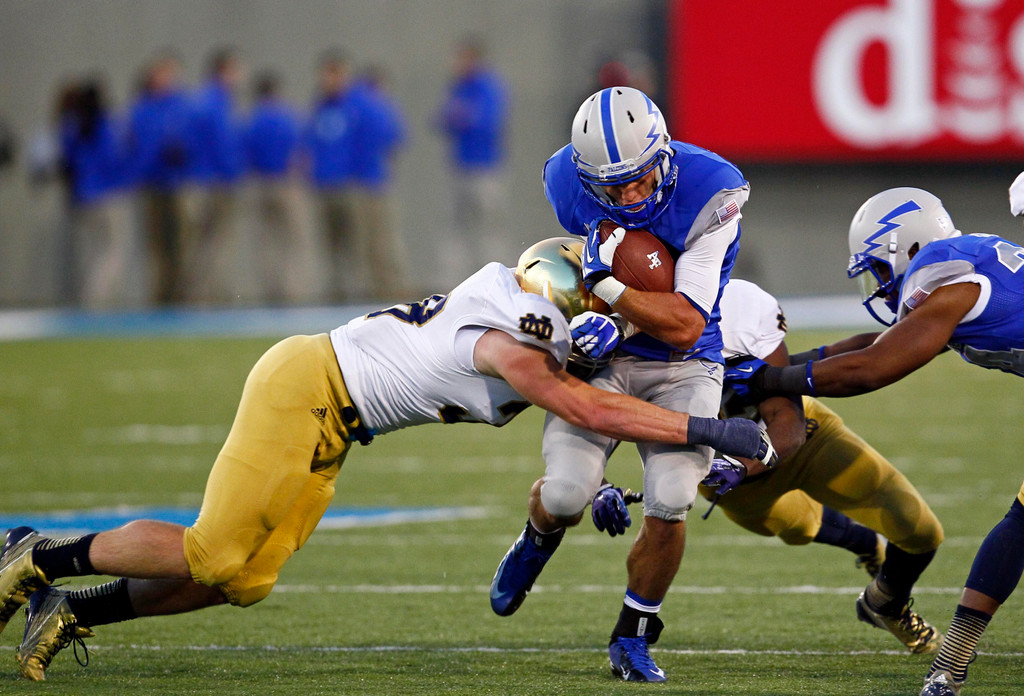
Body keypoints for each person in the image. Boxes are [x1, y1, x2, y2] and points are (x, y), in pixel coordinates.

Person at [0, 237, 775, 682]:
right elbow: (586, 407)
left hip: (339, 422)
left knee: (245, 581)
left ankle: (72, 609)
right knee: (211, 550)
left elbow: (579, 390)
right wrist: (711, 433)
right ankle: (36, 553)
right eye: (599, 303)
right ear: (564, 299)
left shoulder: (525, 308)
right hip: (305, 389)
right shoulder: (515, 336)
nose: (611, 316)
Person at [489, 86, 750, 683]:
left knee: (674, 494)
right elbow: (561, 265)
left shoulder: (714, 190)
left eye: (640, 179)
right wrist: (584, 322)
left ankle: (633, 634)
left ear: (664, 153)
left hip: (686, 361)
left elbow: (686, 321)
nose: (630, 196)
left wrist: (610, 295)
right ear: (587, 179)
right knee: (565, 494)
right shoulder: (565, 180)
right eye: (614, 188)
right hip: (603, 361)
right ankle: (536, 537)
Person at [725, 186, 1024, 696]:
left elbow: (870, 370)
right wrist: (785, 363)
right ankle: (948, 662)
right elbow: (878, 345)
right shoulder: (965, 262)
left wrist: (765, 381)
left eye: (878, 268)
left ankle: (949, 665)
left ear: (906, 248)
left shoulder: (944, 278)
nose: (879, 285)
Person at [593, 278, 944, 654]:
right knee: (797, 526)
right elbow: (590, 418)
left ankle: (886, 602)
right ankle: (864, 542)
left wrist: (741, 466)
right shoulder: (622, 332)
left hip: (799, 442)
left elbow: (788, 424)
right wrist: (598, 485)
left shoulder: (743, 306)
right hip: (730, 479)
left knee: (920, 528)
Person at [435, 36, 510, 281]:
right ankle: (454, 282)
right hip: (460, 166)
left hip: (485, 168)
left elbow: (486, 123)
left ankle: (496, 279)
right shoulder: (458, 87)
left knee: (489, 226)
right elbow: (441, 119)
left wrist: (461, 116)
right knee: (456, 228)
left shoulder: (488, 87)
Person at [59, 78, 134, 309]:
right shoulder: (106, 124)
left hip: (83, 197)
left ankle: (93, 299)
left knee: (95, 251)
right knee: (113, 251)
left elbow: (67, 162)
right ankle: (97, 301)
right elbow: (116, 159)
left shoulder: (72, 125)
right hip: (108, 195)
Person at [126, 51, 194, 305]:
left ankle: (180, 296)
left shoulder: (179, 106)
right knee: (156, 245)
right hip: (151, 184)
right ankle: (160, 297)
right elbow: (135, 147)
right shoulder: (142, 109)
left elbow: (190, 143)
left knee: (181, 242)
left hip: (176, 183)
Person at [304, 50, 370, 302]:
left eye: (335, 74)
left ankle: (359, 291)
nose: (329, 80)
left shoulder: (357, 106)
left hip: (350, 186)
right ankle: (336, 291)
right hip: (325, 185)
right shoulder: (320, 106)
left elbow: (367, 144)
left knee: (355, 242)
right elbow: (311, 143)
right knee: (330, 243)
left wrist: (361, 177)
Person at [185, 47, 247, 304]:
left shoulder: (199, 101)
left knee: (200, 243)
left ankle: (199, 294)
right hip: (216, 182)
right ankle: (213, 297)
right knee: (217, 242)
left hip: (196, 180)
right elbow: (223, 145)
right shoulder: (218, 103)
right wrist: (233, 174)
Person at [349, 64, 410, 301]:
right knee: (383, 238)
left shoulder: (357, 105)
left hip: (362, 181)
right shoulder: (378, 106)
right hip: (375, 179)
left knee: (373, 240)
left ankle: (381, 286)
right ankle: (390, 286)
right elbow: (396, 138)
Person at [243, 70, 305, 305]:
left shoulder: (252, 120)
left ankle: (270, 292)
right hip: (286, 183)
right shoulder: (287, 118)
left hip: (259, 184)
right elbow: (300, 151)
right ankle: (292, 292)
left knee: (265, 242)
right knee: (292, 241)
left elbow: (244, 154)